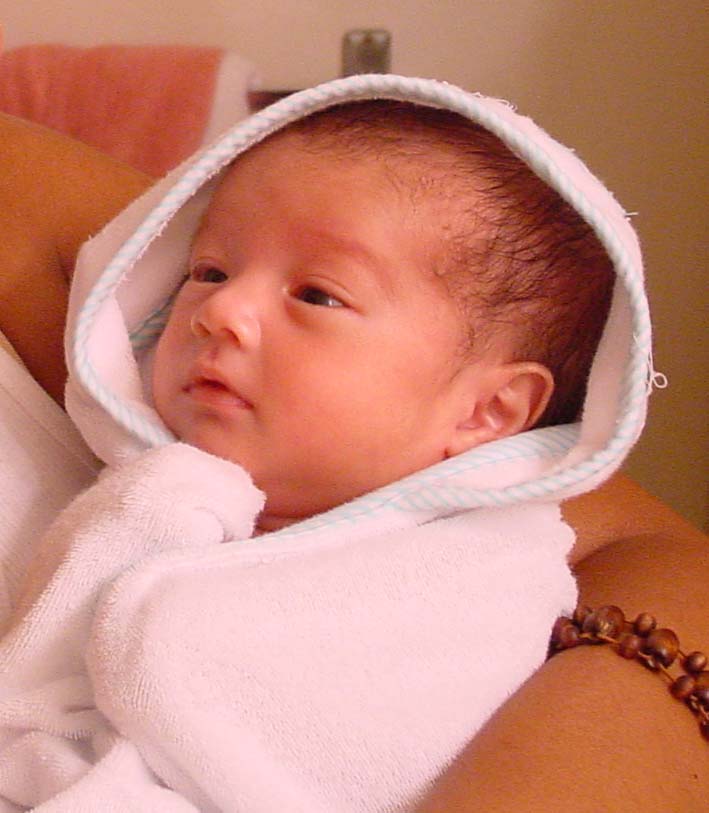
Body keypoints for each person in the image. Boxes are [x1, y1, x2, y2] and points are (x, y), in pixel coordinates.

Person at [0, 75, 705, 810]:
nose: (221, 310)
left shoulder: (478, 582)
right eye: (207, 271)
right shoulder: (148, 498)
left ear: (487, 410)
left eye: (316, 295)